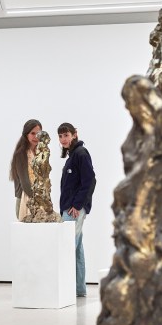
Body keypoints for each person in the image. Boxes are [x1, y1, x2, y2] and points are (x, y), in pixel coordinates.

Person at [58, 123, 96, 297]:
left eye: (66, 135)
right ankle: (79, 289)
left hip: (73, 210)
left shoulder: (81, 153)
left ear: (74, 134)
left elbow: (90, 181)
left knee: (67, 248)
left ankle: (64, 290)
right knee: (77, 250)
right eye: (60, 136)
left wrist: (78, 205)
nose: (63, 139)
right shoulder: (72, 156)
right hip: (70, 209)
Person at [9, 119, 42, 221]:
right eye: (32, 133)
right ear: (26, 134)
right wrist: (38, 199)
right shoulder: (21, 154)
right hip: (26, 200)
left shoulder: (40, 153)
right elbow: (25, 183)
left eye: (38, 134)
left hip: (39, 199)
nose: (36, 137)